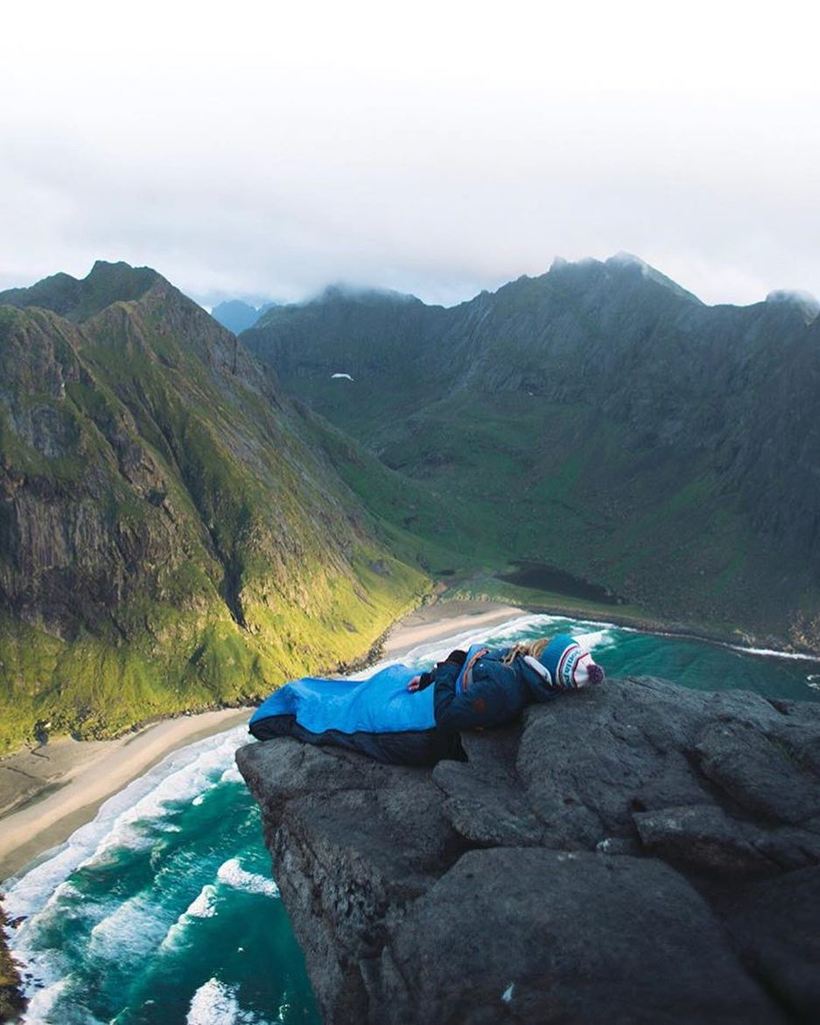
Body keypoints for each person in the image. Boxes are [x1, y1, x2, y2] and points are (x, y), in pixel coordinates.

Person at [248, 633, 604, 766]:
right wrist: (434, 675)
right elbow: (463, 676)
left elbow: (450, 714)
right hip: (428, 697)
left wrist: (448, 667)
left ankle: (275, 718)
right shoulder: (518, 669)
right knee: (387, 678)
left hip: (416, 728)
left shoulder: (505, 690)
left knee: (337, 715)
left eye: (546, 647)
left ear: (545, 663)